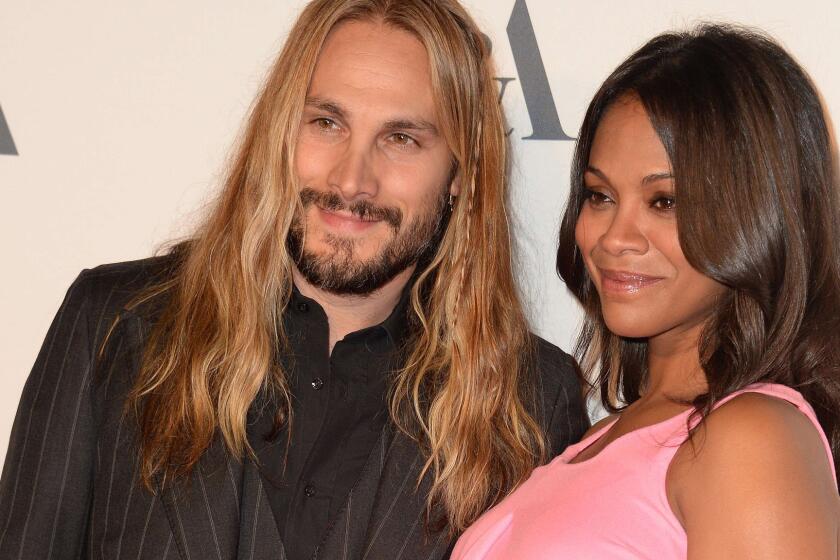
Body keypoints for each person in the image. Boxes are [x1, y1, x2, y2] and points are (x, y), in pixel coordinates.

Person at [0, 1, 589, 559]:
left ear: (462, 170)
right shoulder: (113, 325)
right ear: (282, 129)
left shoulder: (531, 401)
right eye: (327, 122)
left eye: (401, 138)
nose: (352, 180)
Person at [451, 24, 840, 559]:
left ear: (758, 213)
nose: (614, 238)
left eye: (665, 202)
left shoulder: (751, 439)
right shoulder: (605, 438)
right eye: (600, 195)